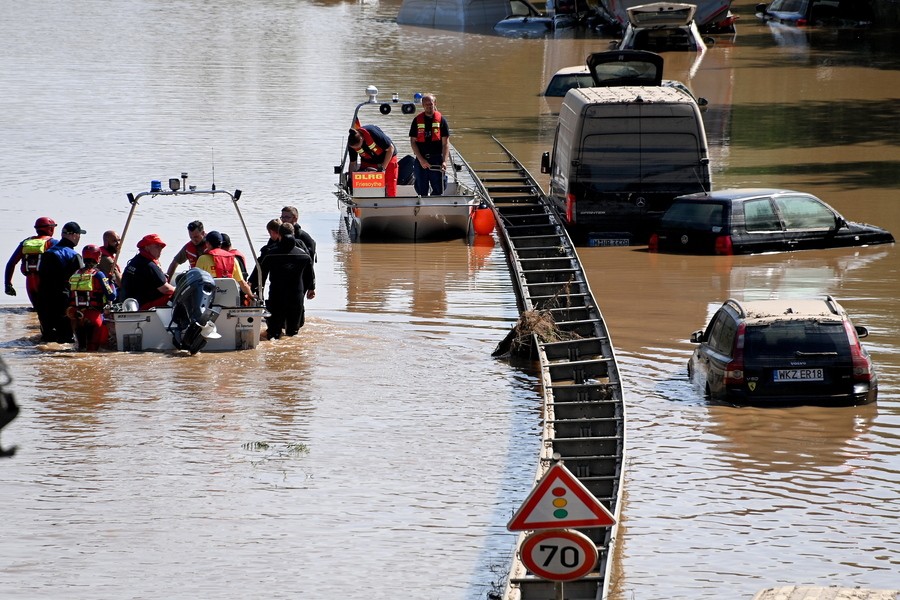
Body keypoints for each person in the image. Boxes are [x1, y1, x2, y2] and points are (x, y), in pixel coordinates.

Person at [258, 223, 316, 340]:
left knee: (273, 334)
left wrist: (258, 293)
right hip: (296, 297)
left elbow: (260, 276)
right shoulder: (303, 255)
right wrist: (311, 288)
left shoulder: (271, 254)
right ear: (293, 234)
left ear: (279, 235)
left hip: (277, 297)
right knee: (292, 334)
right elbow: (310, 275)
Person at [36, 221, 85, 343]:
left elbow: (40, 276)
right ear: (73, 235)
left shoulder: (47, 253)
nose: (79, 237)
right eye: (79, 234)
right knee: (65, 339)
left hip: (44, 299)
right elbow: (82, 281)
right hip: (62, 301)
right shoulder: (73, 255)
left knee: (47, 338)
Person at [66, 245, 116, 351]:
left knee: (81, 349)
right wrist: (111, 282)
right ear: (98, 257)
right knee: (92, 350)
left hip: (77, 316)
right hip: (94, 317)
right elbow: (112, 296)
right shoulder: (99, 275)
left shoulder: (75, 274)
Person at [4, 216, 58, 308]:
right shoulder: (53, 243)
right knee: (48, 310)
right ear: (51, 228)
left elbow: (11, 263)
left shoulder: (26, 242)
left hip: (30, 281)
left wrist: (8, 284)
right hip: (45, 282)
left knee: (36, 308)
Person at [409, 92, 451, 196]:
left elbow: (445, 144)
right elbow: (413, 142)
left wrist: (445, 162)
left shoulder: (442, 121)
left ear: (435, 103)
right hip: (421, 159)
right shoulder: (417, 121)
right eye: (426, 104)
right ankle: (423, 206)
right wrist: (421, 160)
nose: (429, 106)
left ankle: (435, 206)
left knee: (439, 188)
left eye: (431, 103)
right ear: (423, 105)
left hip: (437, 159)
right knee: (421, 188)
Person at [121, 234, 175, 310]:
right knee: (176, 295)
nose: (160, 249)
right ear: (146, 247)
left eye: (161, 247)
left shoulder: (134, 261)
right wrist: (177, 290)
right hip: (143, 306)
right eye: (157, 246)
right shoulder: (149, 265)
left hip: (130, 304)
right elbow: (166, 289)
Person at [195, 231, 254, 300]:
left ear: (207, 244)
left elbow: (196, 281)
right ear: (221, 244)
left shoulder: (203, 259)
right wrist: (251, 296)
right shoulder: (233, 259)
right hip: (230, 301)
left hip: (209, 302)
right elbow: (243, 284)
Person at [347, 125, 399, 197]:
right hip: (368, 161)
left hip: (387, 157)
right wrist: (350, 178)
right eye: (355, 148)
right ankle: (365, 202)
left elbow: (390, 149)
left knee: (390, 183)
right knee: (364, 184)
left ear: (361, 139)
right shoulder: (351, 144)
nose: (358, 148)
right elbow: (353, 163)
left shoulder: (373, 133)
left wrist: (383, 168)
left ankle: (391, 201)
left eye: (358, 146)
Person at [248, 218, 282, 298]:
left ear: (272, 232)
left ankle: (260, 296)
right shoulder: (288, 242)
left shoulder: (269, 249)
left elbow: (260, 266)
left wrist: (251, 281)